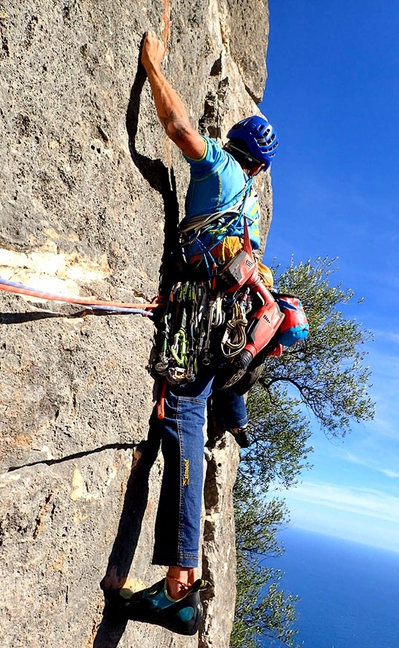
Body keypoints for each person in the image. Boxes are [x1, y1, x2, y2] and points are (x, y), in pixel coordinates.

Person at [107, 30, 278, 636]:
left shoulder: (225, 171)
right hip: (223, 326)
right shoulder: (252, 211)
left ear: (238, 149)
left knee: (180, 422)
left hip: (193, 317)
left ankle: (183, 578)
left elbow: (180, 129)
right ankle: (180, 572)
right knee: (187, 421)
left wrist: (153, 68)